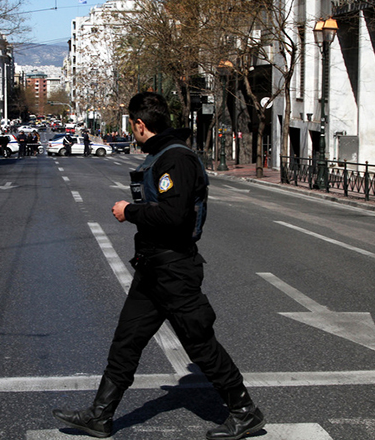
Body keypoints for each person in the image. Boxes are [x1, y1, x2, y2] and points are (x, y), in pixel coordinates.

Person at [52, 92, 265, 440]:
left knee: (199, 343)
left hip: (174, 268)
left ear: (139, 124)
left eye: (133, 125)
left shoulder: (177, 159)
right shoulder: (163, 156)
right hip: (152, 268)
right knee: (126, 342)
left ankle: (244, 411)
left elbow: (174, 215)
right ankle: (100, 415)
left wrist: (128, 211)